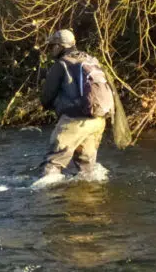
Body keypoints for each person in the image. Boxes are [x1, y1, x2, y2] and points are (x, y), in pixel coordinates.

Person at [39, 29, 111, 177]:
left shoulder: (62, 64)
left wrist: (47, 105)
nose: (51, 50)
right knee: (87, 170)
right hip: (98, 119)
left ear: (59, 46)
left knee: (52, 163)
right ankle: (89, 196)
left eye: (52, 46)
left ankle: (47, 195)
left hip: (75, 121)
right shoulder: (91, 60)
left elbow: (47, 95)